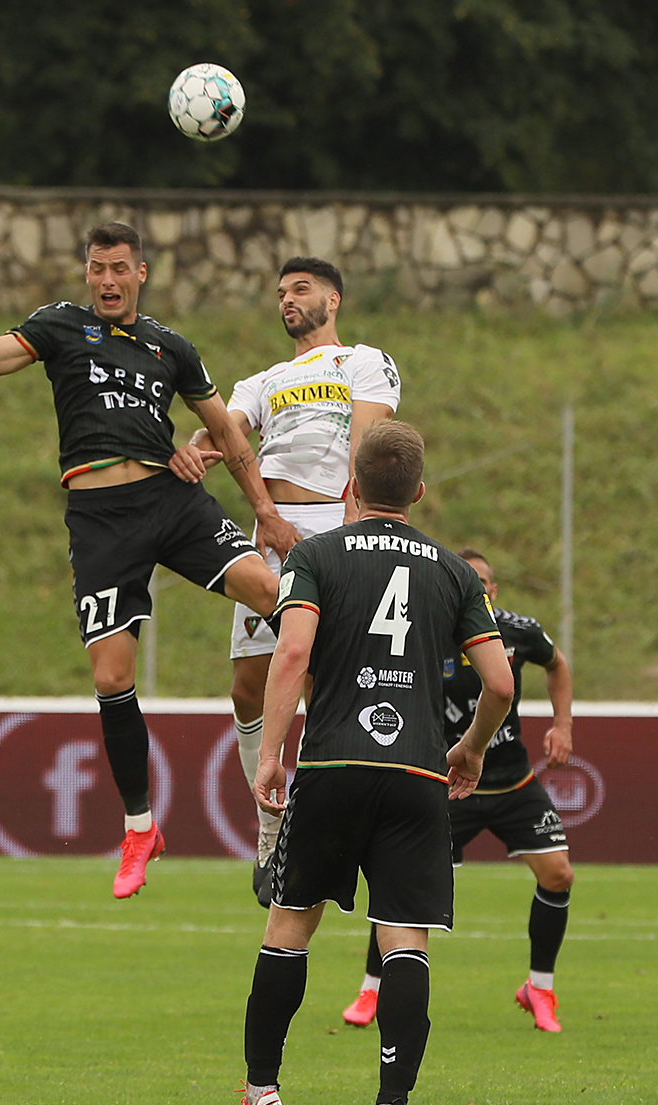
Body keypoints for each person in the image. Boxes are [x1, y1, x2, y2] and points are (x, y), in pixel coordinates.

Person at [0, 221, 290, 898]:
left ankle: (350, 708)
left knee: (271, 591)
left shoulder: (170, 346)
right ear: (87, 274)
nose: (107, 280)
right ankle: (140, 828)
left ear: (141, 273)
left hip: (170, 501)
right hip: (101, 522)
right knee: (111, 676)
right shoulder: (59, 326)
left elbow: (226, 431)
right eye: (97, 268)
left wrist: (266, 513)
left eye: (119, 268)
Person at [238, 420, 512, 1105]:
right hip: (416, 773)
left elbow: (292, 652)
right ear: (418, 493)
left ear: (351, 486)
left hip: (331, 766)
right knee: (403, 941)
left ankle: (261, 1094)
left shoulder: (315, 555)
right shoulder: (455, 573)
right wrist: (471, 749)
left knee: (289, 925)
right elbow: (500, 683)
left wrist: (271, 754)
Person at [190, 257, 400, 896]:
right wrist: (193, 449)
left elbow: (368, 439)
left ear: (333, 300)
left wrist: (351, 527)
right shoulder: (263, 380)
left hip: (333, 524)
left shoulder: (363, 361)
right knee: (247, 687)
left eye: (301, 289)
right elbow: (224, 432)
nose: (287, 299)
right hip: (272, 530)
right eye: (281, 292)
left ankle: (320, 827)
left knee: (321, 681)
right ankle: (269, 831)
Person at [340, 546, 575, 1033]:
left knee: (558, 875)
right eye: (469, 582)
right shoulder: (427, 632)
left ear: (494, 590)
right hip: (449, 784)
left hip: (513, 782)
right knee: (402, 882)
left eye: (485, 582)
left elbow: (558, 664)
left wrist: (563, 725)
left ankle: (540, 988)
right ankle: (372, 989)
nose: (479, 590)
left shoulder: (517, 632)